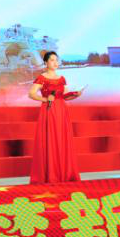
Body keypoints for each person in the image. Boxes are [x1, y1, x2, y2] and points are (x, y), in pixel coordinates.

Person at [28, 51, 81, 184]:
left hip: (62, 110)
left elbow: (65, 96)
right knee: (50, 139)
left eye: (56, 60)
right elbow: (31, 94)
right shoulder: (42, 78)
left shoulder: (62, 78)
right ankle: (51, 174)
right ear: (46, 63)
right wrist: (45, 99)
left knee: (62, 139)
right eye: (52, 60)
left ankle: (65, 173)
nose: (55, 62)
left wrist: (75, 95)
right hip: (49, 110)